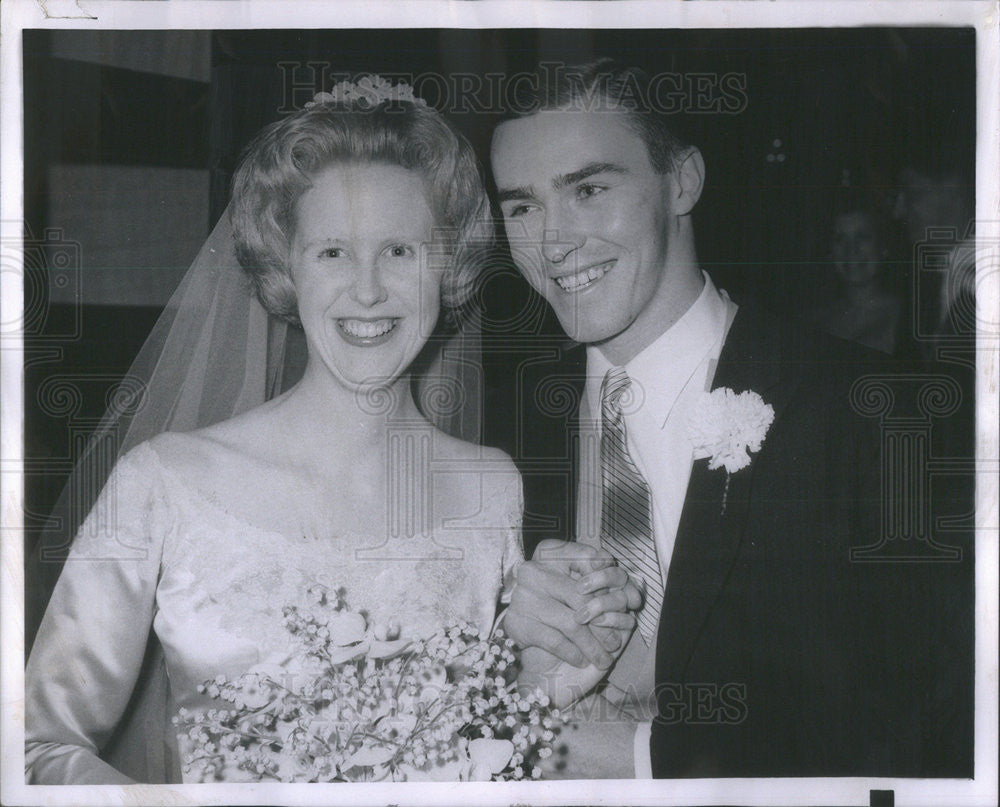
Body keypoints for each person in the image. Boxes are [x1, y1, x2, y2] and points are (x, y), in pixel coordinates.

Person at [24, 77, 638, 785]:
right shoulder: (162, 483)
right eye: (333, 253)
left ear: (447, 267)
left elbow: (474, 738)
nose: (368, 290)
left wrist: (547, 679)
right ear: (287, 268)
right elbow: (34, 750)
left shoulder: (492, 486)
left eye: (401, 251)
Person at [491, 60, 973, 778]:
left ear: (682, 182)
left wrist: (640, 758)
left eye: (589, 190)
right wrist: (510, 657)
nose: (553, 242)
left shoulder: (874, 409)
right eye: (522, 207)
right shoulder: (507, 435)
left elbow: (930, 719)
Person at [806, 199, 906, 355]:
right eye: (839, 239)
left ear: (883, 247)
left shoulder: (906, 317)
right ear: (830, 253)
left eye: (862, 237)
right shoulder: (815, 320)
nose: (851, 249)